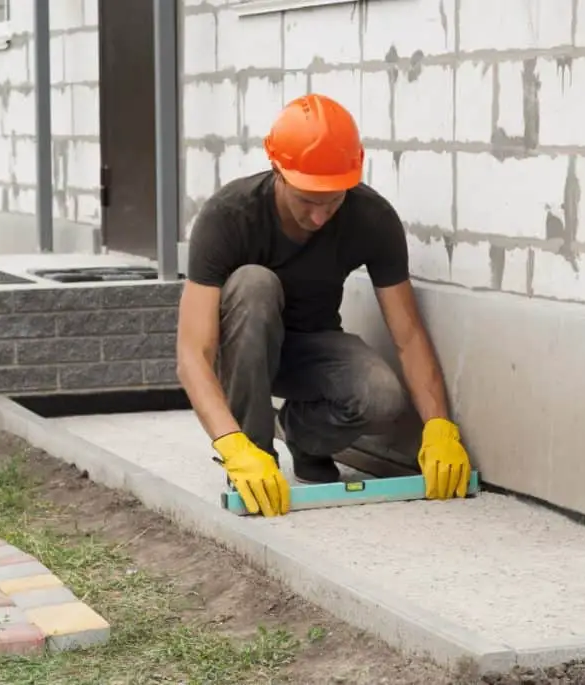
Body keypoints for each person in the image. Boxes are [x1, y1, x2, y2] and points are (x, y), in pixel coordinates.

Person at [176, 93, 473, 517]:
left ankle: (300, 436)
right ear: (278, 170)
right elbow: (193, 354)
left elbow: (407, 335)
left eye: (332, 201)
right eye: (307, 201)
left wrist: (441, 427)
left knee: (382, 398)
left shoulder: (371, 217)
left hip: (311, 351)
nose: (320, 217)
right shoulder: (228, 217)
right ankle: (257, 455)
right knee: (254, 283)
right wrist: (231, 445)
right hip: (243, 352)